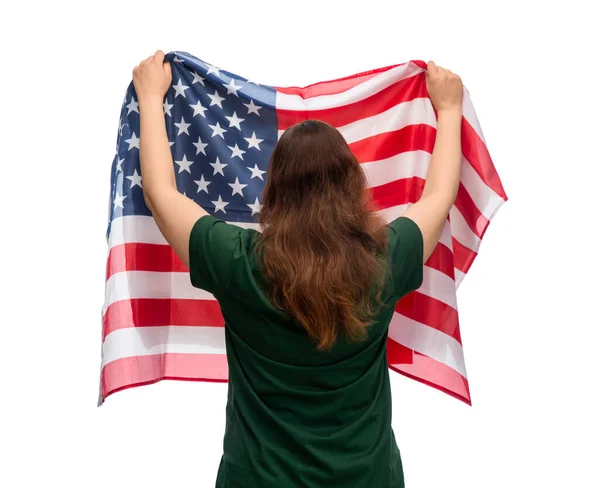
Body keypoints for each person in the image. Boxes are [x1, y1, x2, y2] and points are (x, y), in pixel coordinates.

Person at [132, 50, 463, 488]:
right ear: (351, 183)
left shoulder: (238, 261)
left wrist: (152, 98)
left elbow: (159, 194)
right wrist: (449, 109)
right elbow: (438, 197)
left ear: (275, 189)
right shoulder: (387, 257)